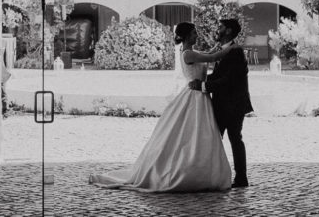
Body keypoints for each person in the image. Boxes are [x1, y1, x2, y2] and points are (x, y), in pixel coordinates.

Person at [88, 22, 233, 192]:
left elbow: (208, 54)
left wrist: (219, 46)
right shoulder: (188, 54)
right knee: (191, 133)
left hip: (200, 94)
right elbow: (212, 58)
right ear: (187, 36)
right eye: (194, 33)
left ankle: (200, 169)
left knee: (201, 133)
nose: (197, 35)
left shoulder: (191, 52)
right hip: (195, 96)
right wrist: (233, 47)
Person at [193, 18, 253, 188]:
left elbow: (229, 80)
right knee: (215, 139)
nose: (217, 30)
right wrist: (200, 81)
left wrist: (203, 86)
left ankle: (240, 178)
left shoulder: (236, 51)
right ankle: (213, 176)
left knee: (235, 139)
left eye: (220, 27)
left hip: (234, 104)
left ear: (228, 31)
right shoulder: (224, 50)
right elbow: (218, 76)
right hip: (220, 103)